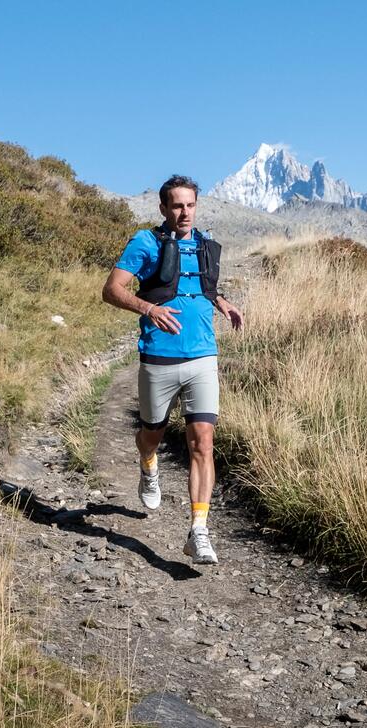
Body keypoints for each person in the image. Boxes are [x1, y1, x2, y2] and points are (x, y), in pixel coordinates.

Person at [100, 175, 243, 564]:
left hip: (203, 358)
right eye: (177, 205)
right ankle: (148, 464)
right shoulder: (145, 243)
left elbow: (203, 286)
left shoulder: (204, 243)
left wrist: (223, 304)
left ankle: (198, 532)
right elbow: (111, 290)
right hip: (159, 359)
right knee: (151, 434)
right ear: (163, 208)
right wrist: (149, 309)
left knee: (203, 441)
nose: (185, 212)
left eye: (190, 205)